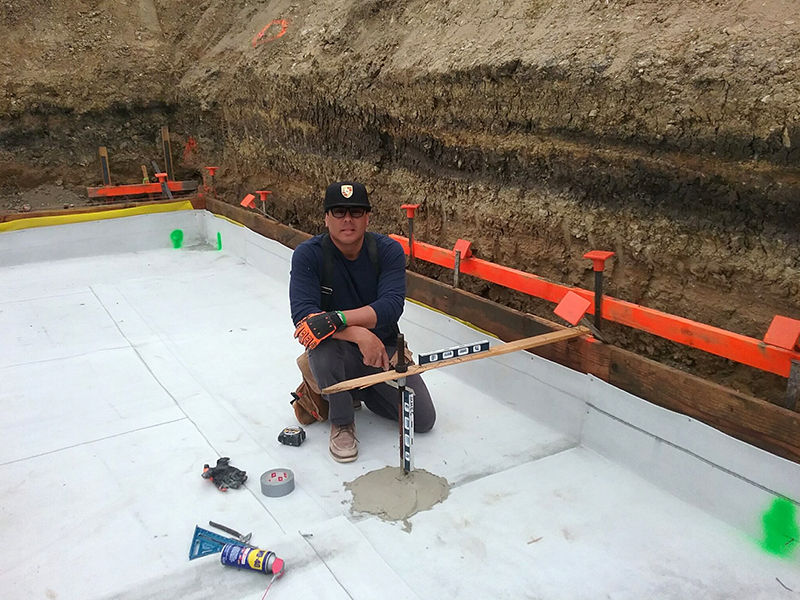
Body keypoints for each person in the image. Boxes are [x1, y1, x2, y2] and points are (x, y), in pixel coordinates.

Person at [289, 181, 436, 462]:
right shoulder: (309, 255)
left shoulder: (388, 251)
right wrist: (358, 334)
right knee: (322, 351)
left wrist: (337, 318)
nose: (347, 219)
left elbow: (391, 307)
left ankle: (361, 389)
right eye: (339, 211)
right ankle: (342, 420)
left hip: (384, 350)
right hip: (338, 349)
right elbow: (305, 319)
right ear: (326, 217)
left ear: (367, 217)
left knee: (423, 420)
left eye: (356, 212)